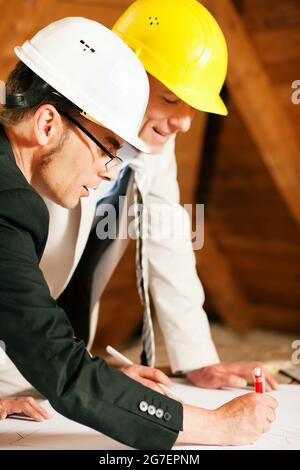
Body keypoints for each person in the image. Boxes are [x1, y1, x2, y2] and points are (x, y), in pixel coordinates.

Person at [0, 14, 277, 449]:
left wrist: (188, 362)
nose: (110, 172)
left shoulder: (62, 137)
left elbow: (168, 241)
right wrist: (211, 425)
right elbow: (46, 346)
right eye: (169, 98)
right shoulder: (13, 199)